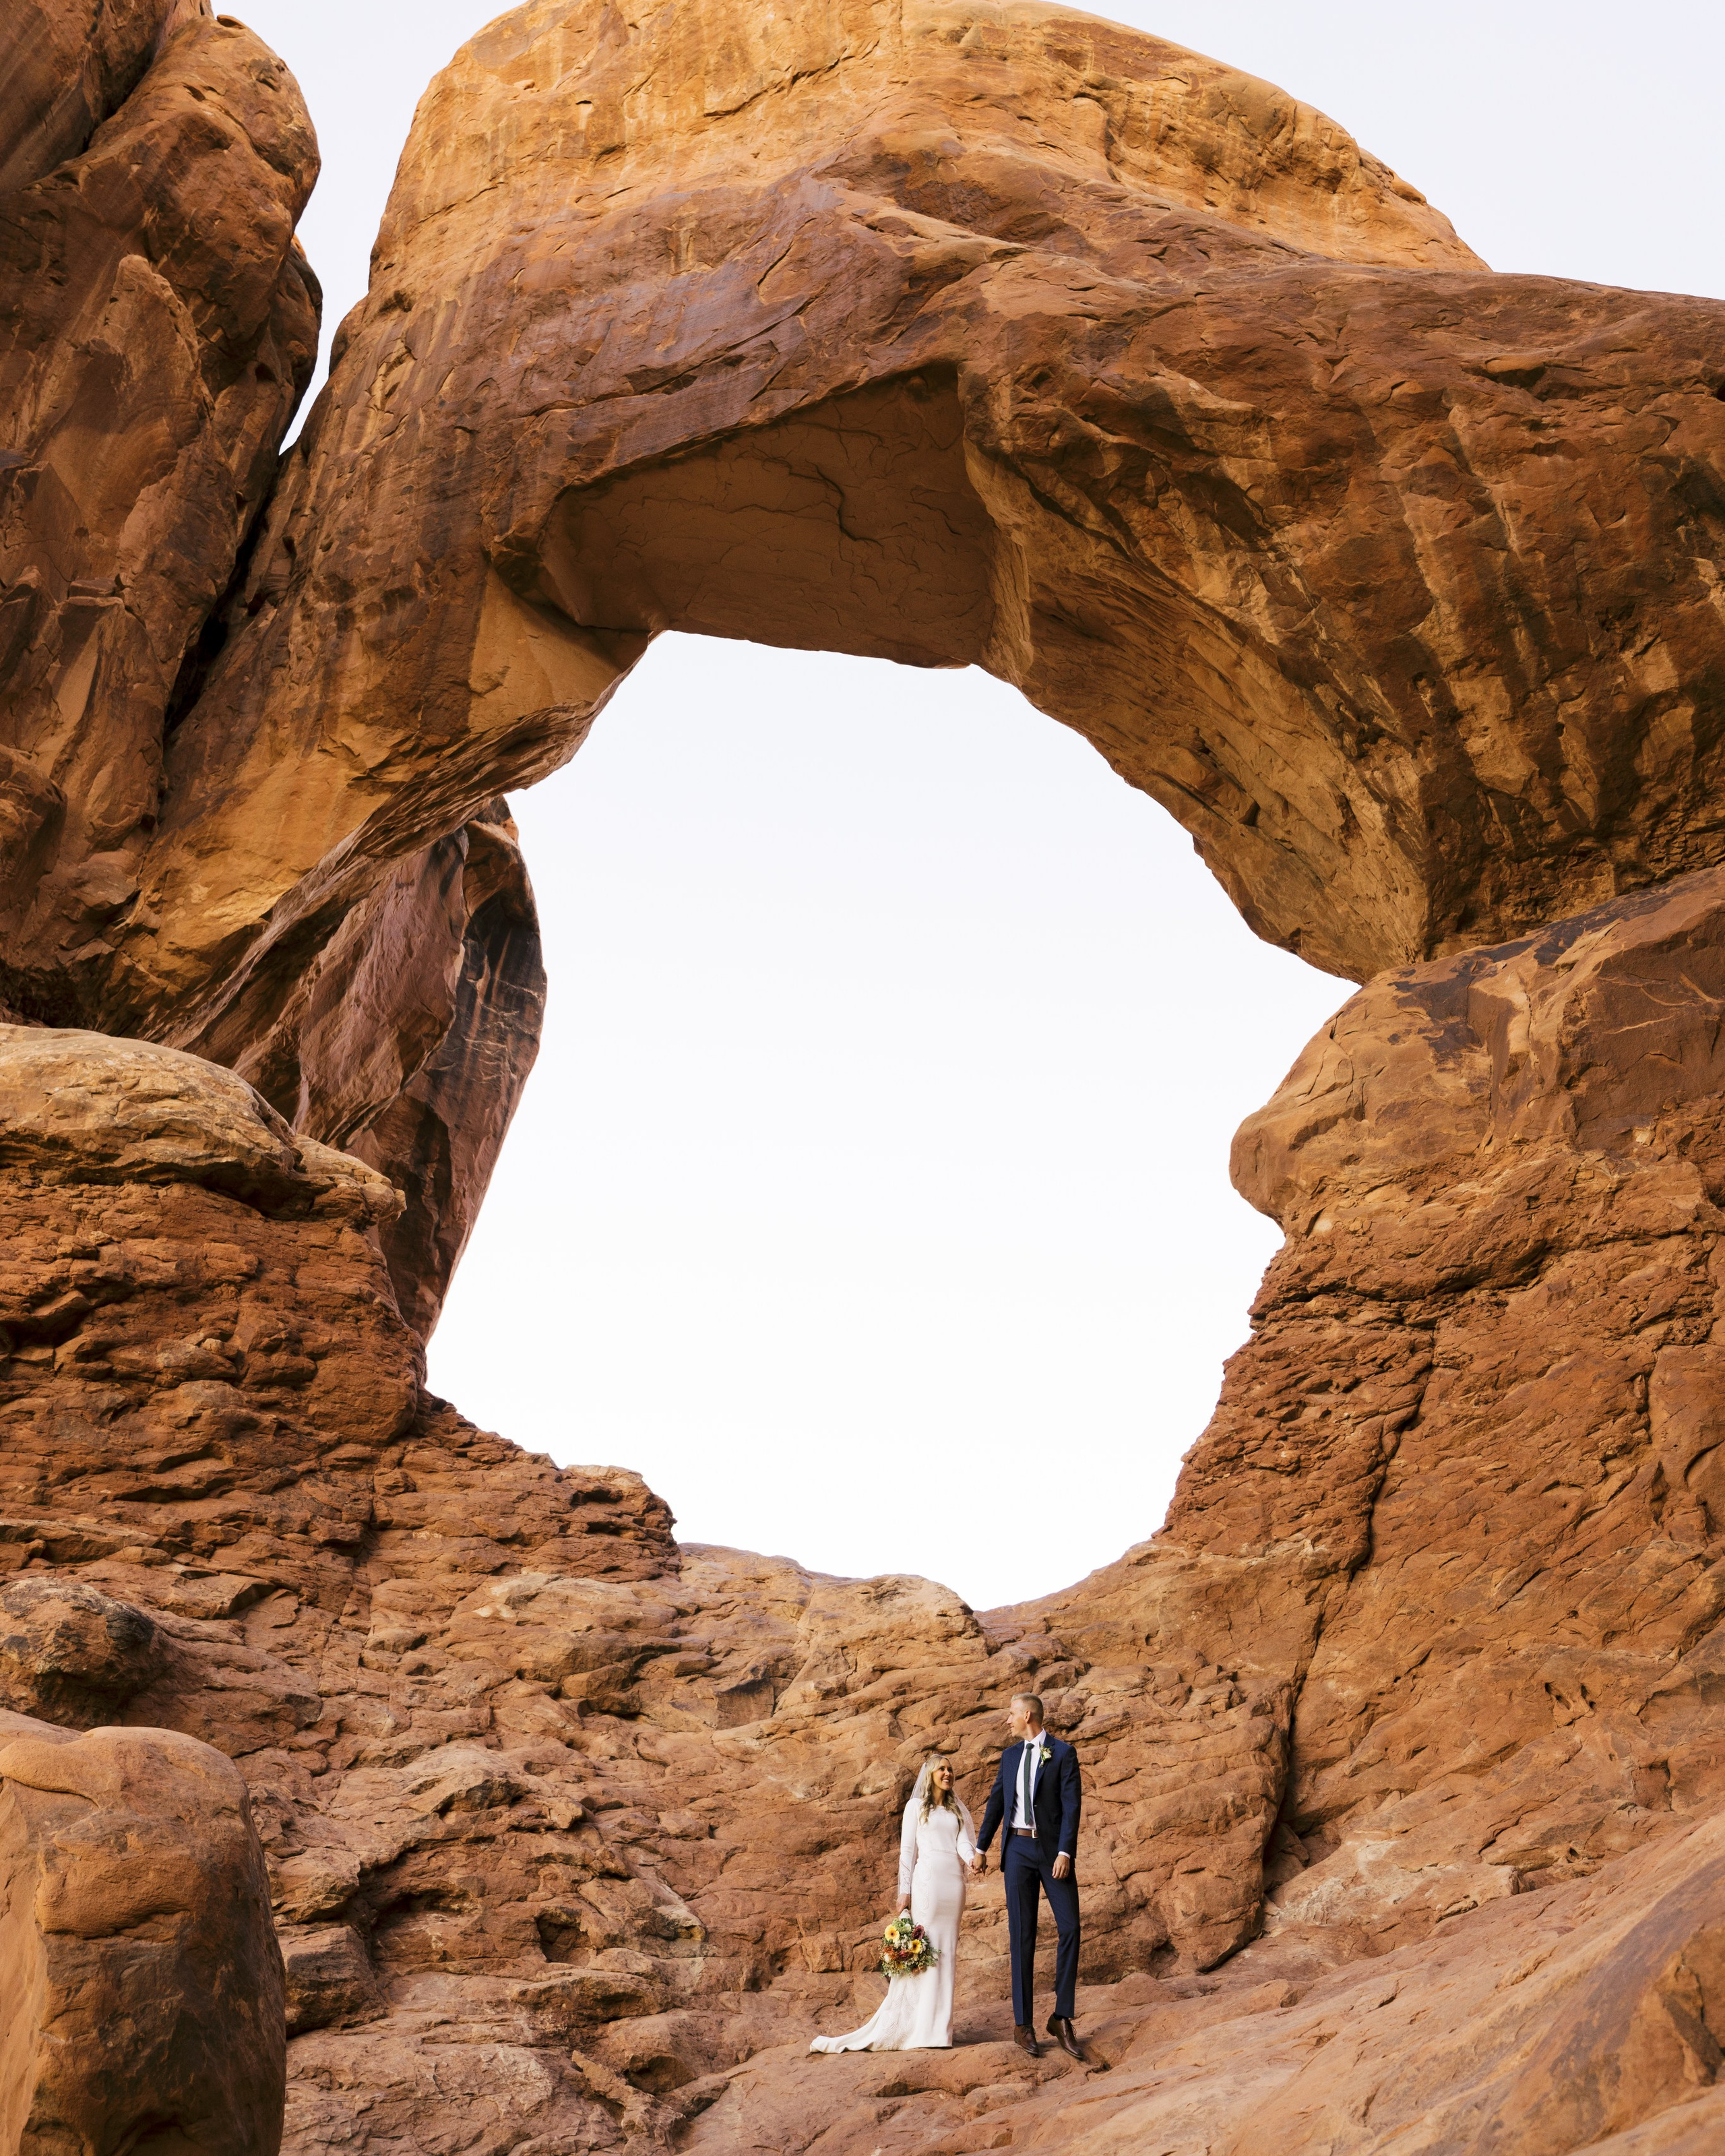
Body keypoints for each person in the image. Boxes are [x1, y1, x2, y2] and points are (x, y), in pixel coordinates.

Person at [810, 1756, 978, 2052]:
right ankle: (918, 2028)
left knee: (947, 1953)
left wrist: (974, 1860)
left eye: (951, 1769)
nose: (948, 1773)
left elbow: (964, 1844)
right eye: (942, 1769)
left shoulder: (957, 1809)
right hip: (928, 1885)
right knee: (927, 1952)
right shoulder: (916, 1807)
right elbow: (907, 1851)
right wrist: (905, 1891)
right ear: (930, 1774)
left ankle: (939, 2030)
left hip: (954, 1886)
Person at [974, 1692, 1087, 2060]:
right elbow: (996, 1802)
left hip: (1053, 1852)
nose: (1007, 1721)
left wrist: (1065, 1852)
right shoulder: (1009, 1758)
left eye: (1010, 1714)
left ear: (1027, 1715)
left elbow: (1072, 1808)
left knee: (1070, 1927)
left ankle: (1062, 2017)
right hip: (1018, 1851)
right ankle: (1023, 2024)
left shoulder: (1063, 1753)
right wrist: (981, 1847)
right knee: (1022, 1934)